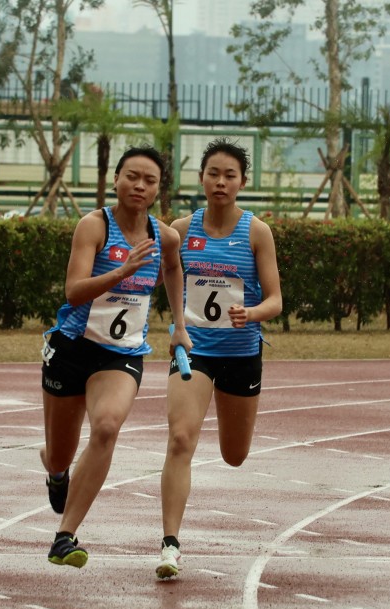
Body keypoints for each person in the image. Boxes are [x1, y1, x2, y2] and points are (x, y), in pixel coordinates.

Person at [39, 146, 189, 568]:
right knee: (60, 453)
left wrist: (179, 325)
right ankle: (55, 472)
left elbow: (173, 269)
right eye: (131, 176)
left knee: (106, 427)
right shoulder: (94, 227)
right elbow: (73, 290)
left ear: (160, 188)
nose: (139, 186)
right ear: (116, 179)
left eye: (149, 180)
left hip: (121, 353)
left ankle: (64, 536)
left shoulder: (165, 236)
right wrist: (122, 271)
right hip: (72, 347)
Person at [155, 137, 282, 579]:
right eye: (214, 174)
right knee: (180, 439)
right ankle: (170, 545)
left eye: (230, 175)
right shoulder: (182, 229)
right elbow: (170, 280)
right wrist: (178, 326)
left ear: (243, 182)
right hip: (195, 352)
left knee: (234, 455)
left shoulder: (256, 232)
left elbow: (276, 300)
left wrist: (253, 313)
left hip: (242, 352)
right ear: (202, 178)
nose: (221, 182)